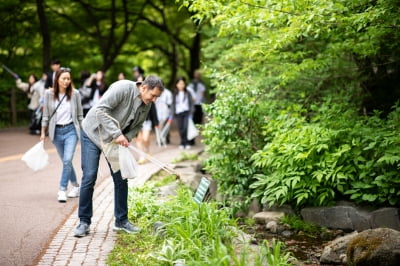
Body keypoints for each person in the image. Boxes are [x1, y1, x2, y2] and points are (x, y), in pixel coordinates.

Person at [74, 75, 164, 237]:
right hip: (93, 133)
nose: (154, 100)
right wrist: (117, 133)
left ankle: (121, 221)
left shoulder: (147, 104)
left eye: (157, 97)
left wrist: (126, 138)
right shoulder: (122, 88)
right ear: (144, 88)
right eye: (153, 95)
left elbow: (137, 126)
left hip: (114, 142)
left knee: (121, 178)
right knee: (89, 176)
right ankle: (84, 221)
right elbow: (100, 110)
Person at [40, 67, 83, 202]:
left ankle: (62, 189)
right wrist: (42, 132)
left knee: (67, 160)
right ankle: (76, 186)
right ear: (57, 79)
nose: (66, 81)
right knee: (66, 162)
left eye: (68, 79)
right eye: (63, 78)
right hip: (56, 132)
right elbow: (46, 114)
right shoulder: (49, 94)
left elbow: (80, 115)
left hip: (71, 131)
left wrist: (85, 132)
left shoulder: (75, 94)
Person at [172, 76, 194, 150]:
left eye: (182, 84)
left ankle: (186, 142)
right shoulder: (175, 93)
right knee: (180, 128)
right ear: (176, 84)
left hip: (186, 112)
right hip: (178, 113)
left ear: (185, 84)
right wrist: (172, 113)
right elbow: (173, 104)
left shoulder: (188, 93)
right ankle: (182, 142)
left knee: (185, 128)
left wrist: (191, 113)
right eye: (179, 84)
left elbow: (191, 103)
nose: (181, 85)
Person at [186, 69, 206, 145]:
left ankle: (193, 137)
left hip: (199, 105)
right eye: (196, 74)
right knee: (192, 122)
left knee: (197, 122)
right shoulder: (191, 84)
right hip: (192, 105)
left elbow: (202, 94)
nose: (197, 75)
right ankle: (191, 139)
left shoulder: (201, 84)